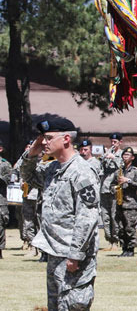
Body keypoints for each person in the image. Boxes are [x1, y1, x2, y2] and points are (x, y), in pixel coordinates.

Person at [20, 118, 100, 310]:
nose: (44, 142)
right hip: (55, 251)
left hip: (73, 256)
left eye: (48, 138)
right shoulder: (53, 169)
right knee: (55, 305)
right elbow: (26, 174)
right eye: (42, 139)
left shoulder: (82, 171)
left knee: (72, 305)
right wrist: (33, 152)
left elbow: (86, 217)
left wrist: (75, 255)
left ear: (66, 139)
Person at [112, 147, 137, 257]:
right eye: (124, 155)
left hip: (131, 204)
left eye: (128, 155)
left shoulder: (136, 171)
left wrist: (128, 181)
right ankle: (124, 248)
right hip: (120, 203)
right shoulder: (118, 172)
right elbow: (112, 185)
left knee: (130, 227)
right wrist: (115, 188)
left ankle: (131, 249)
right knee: (121, 228)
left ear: (132, 157)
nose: (125, 157)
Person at [100, 132, 123, 249]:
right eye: (112, 142)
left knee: (115, 216)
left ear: (120, 142)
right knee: (105, 217)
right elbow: (101, 168)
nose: (113, 144)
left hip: (114, 189)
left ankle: (117, 240)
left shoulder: (122, 154)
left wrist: (114, 158)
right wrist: (104, 157)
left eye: (115, 142)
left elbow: (122, 167)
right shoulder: (107, 153)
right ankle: (109, 240)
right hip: (104, 188)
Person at [0, 139, 12, 259]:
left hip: (0, 200)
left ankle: (0, 250)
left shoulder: (5, 164)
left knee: (0, 225)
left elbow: (7, 180)